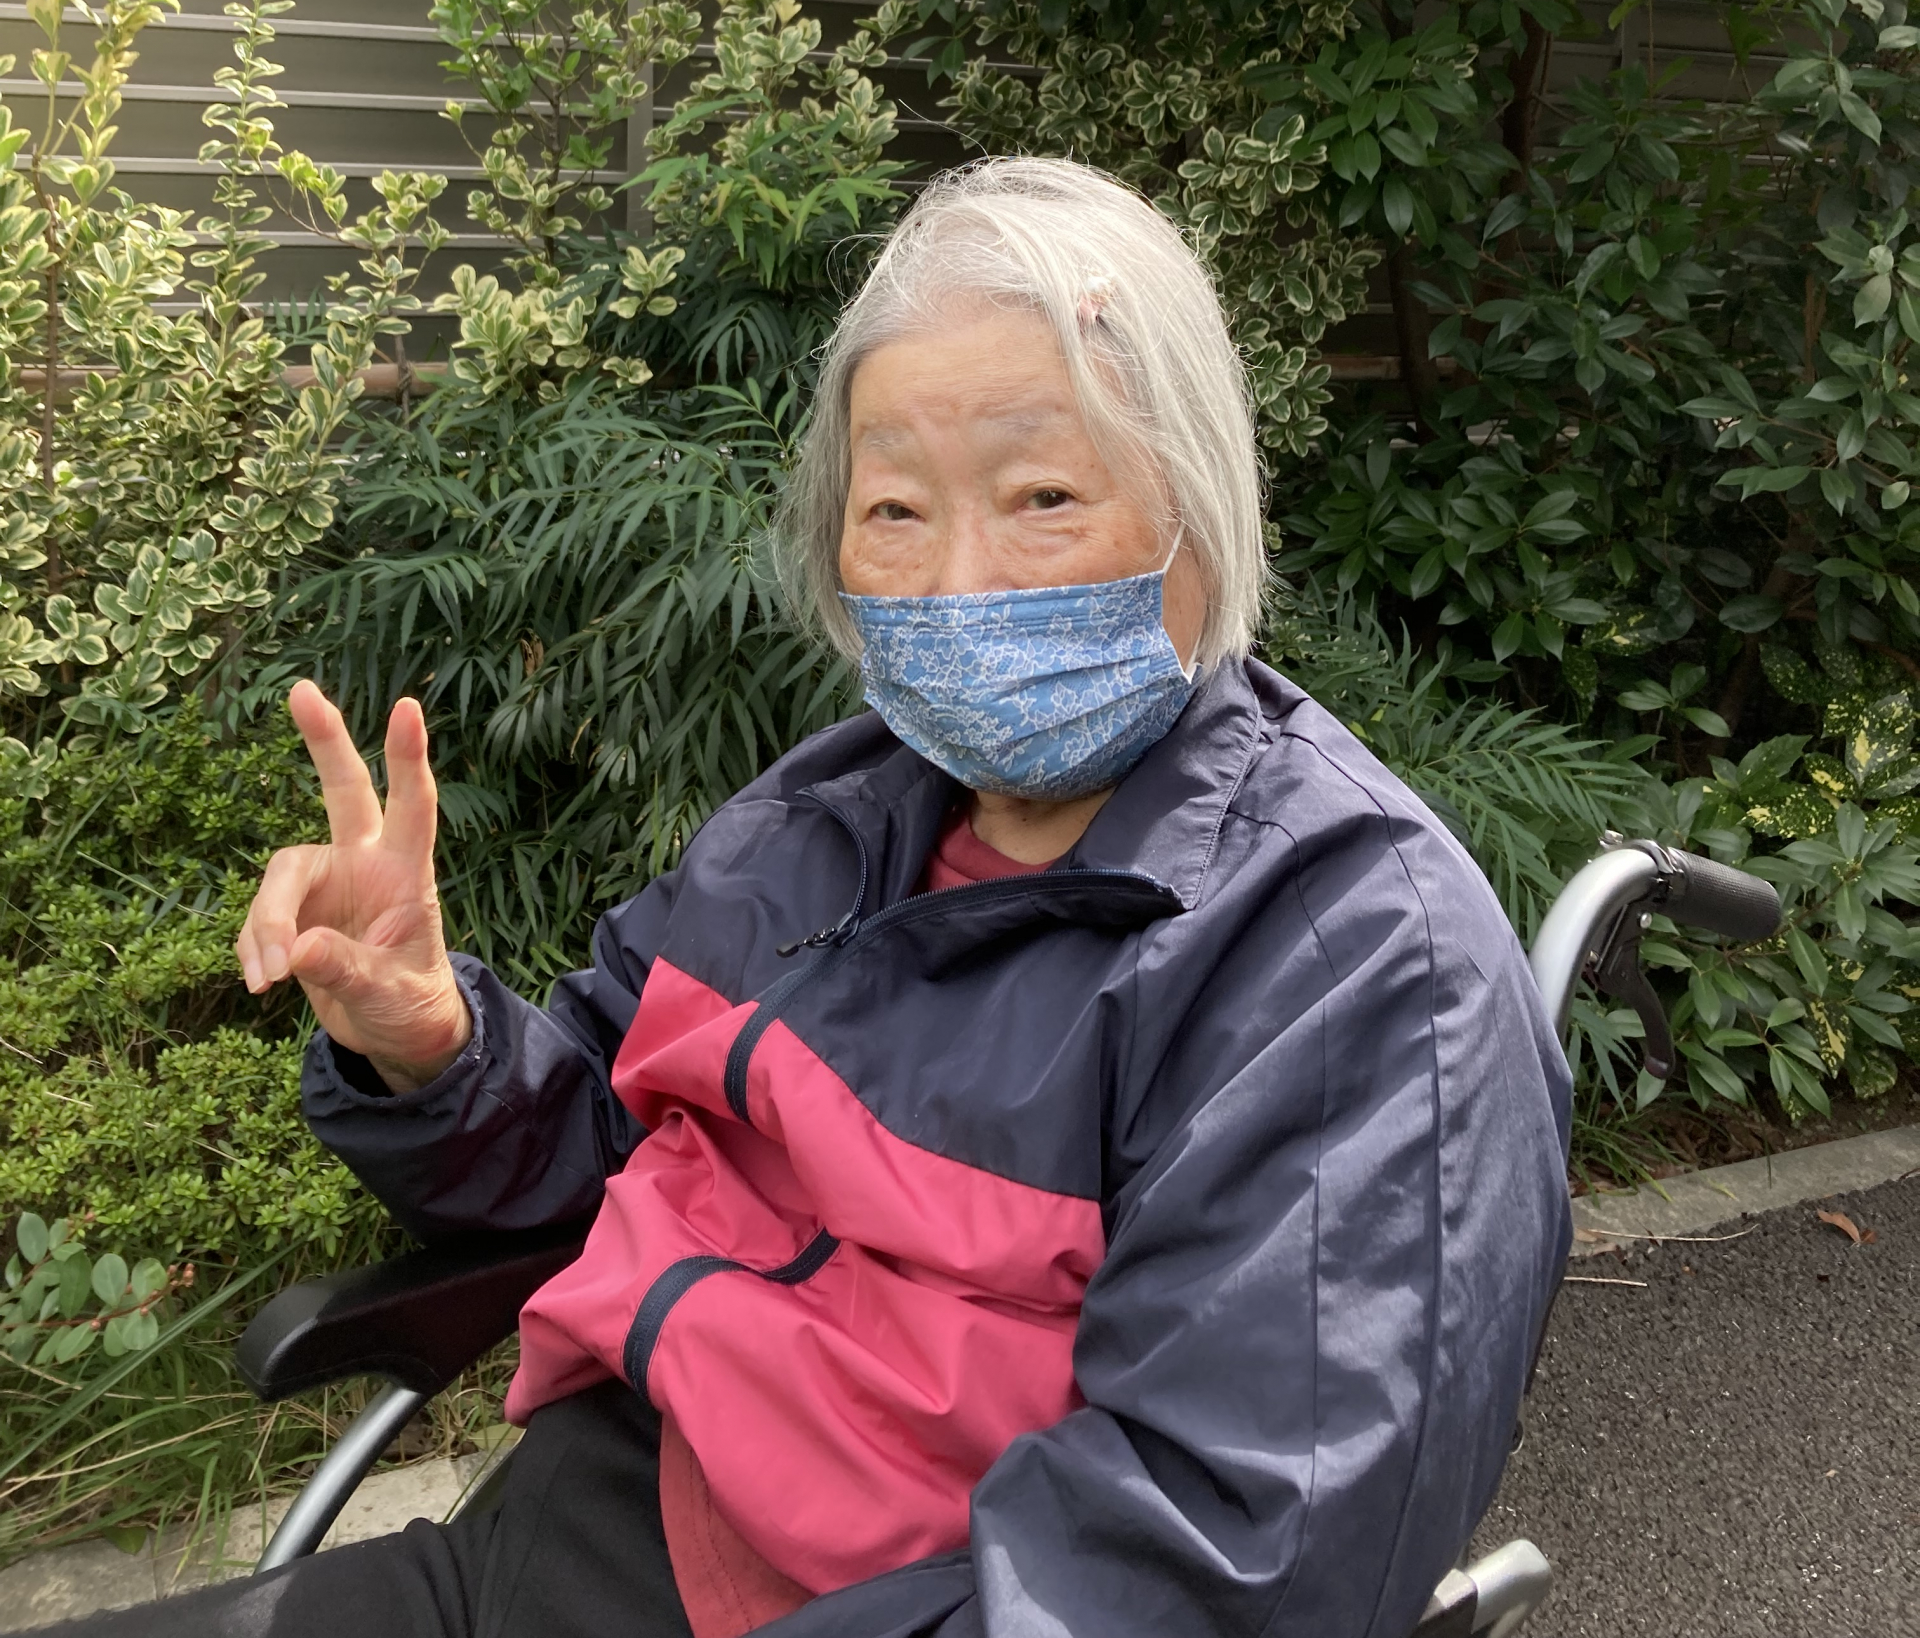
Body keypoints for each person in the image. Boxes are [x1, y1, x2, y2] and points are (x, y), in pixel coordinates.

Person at [53, 157, 1572, 1638]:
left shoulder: (1353, 964)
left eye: (1043, 494)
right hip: (552, 1544)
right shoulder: (821, 824)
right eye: (895, 509)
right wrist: (433, 1048)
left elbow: (1209, 1569)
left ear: (1202, 512)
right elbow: (593, 1154)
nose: (958, 581)